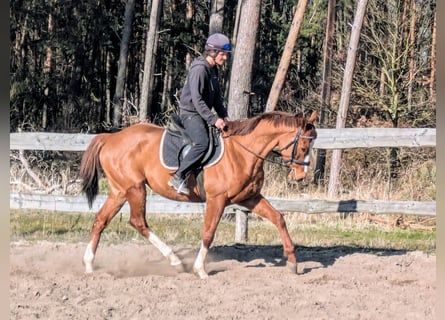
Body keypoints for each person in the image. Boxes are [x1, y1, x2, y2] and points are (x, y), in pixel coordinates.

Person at [168, 33, 232, 196]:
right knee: (202, 143)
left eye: (226, 55)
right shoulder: (199, 69)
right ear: (213, 52)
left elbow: (216, 98)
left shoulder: (213, 70)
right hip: (190, 113)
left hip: (201, 113)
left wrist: (224, 115)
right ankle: (178, 176)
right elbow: (197, 100)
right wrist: (213, 119)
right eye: (223, 54)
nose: (225, 58)